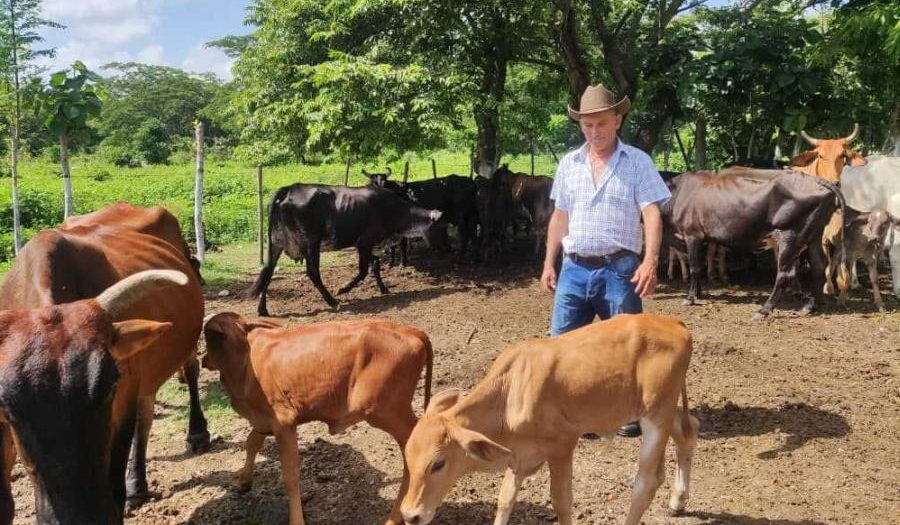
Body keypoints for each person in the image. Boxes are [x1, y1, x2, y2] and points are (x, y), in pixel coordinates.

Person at [540, 84, 671, 438]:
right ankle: (573, 411)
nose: (594, 132)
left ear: (617, 119)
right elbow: (559, 216)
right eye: (587, 125)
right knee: (563, 343)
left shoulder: (637, 162)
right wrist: (549, 262)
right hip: (574, 267)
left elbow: (651, 213)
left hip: (620, 267)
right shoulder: (570, 163)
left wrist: (650, 261)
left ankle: (628, 411)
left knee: (625, 347)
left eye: (600, 123)